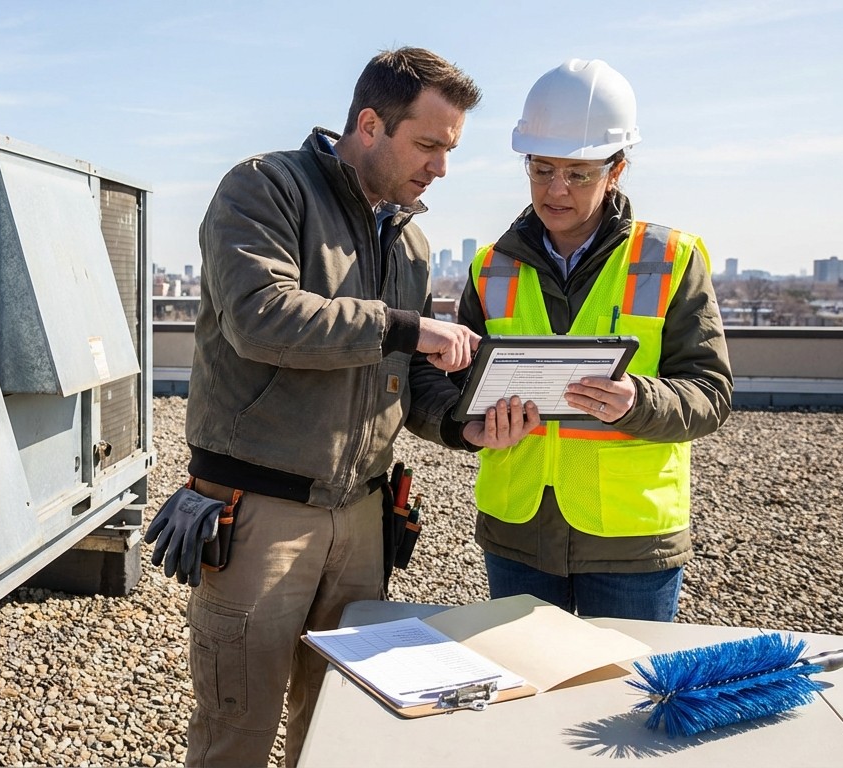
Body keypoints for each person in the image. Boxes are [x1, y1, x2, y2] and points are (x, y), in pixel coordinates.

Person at [178, 47, 534, 768]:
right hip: (258, 512)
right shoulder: (264, 188)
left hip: (363, 517)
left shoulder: (408, 239)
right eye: (428, 144)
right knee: (237, 729)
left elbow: (406, 376)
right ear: (370, 125)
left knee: (341, 730)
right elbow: (262, 317)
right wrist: (405, 326)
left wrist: (464, 427)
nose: (440, 168)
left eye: (450, 150)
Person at [454, 59, 733, 622]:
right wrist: (468, 424)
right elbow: (452, 381)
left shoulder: (670, 259)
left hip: (629, 540)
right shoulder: (492, 268)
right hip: (518, 530)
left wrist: (639, 400)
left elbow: (711, 394)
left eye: (579, 173)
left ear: (617, 169)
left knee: (622, 702)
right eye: (541, 168)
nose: (556, 190)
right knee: (525, 693)